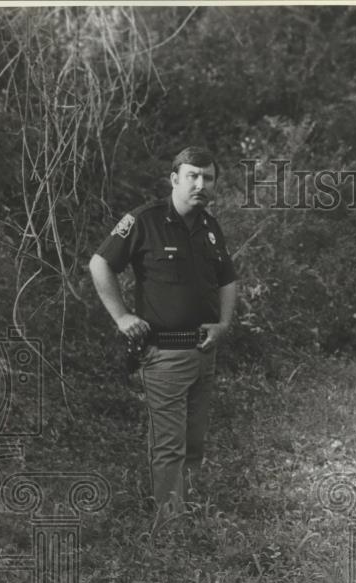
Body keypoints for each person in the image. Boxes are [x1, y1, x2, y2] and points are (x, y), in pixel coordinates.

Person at [89, 146, 237, 520]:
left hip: (204, 351)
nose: (201, 184)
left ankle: (189, 511)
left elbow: (227, 279)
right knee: (169, 446)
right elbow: (100, 263)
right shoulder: (144, 221)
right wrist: (122, 317)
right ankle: (171, 529)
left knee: (194, 443)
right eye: (193, 176)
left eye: (208, 177)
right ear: (175, 179)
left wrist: (224, 324)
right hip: (165, 356)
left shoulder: (209, 225)